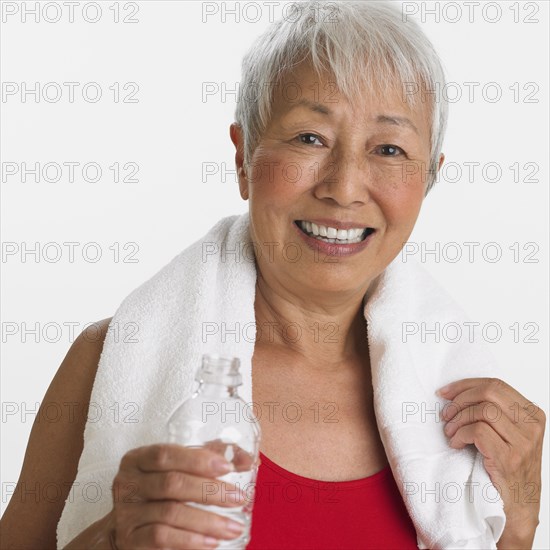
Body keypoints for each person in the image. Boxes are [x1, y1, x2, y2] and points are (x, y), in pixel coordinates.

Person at [0, 1, 545, 549]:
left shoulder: (464, 409)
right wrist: (112, 541)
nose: (344, 186)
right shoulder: (108, 358)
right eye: (310, 137)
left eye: (389, 148)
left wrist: (519, 523)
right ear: (243, 159)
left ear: (428, 179)